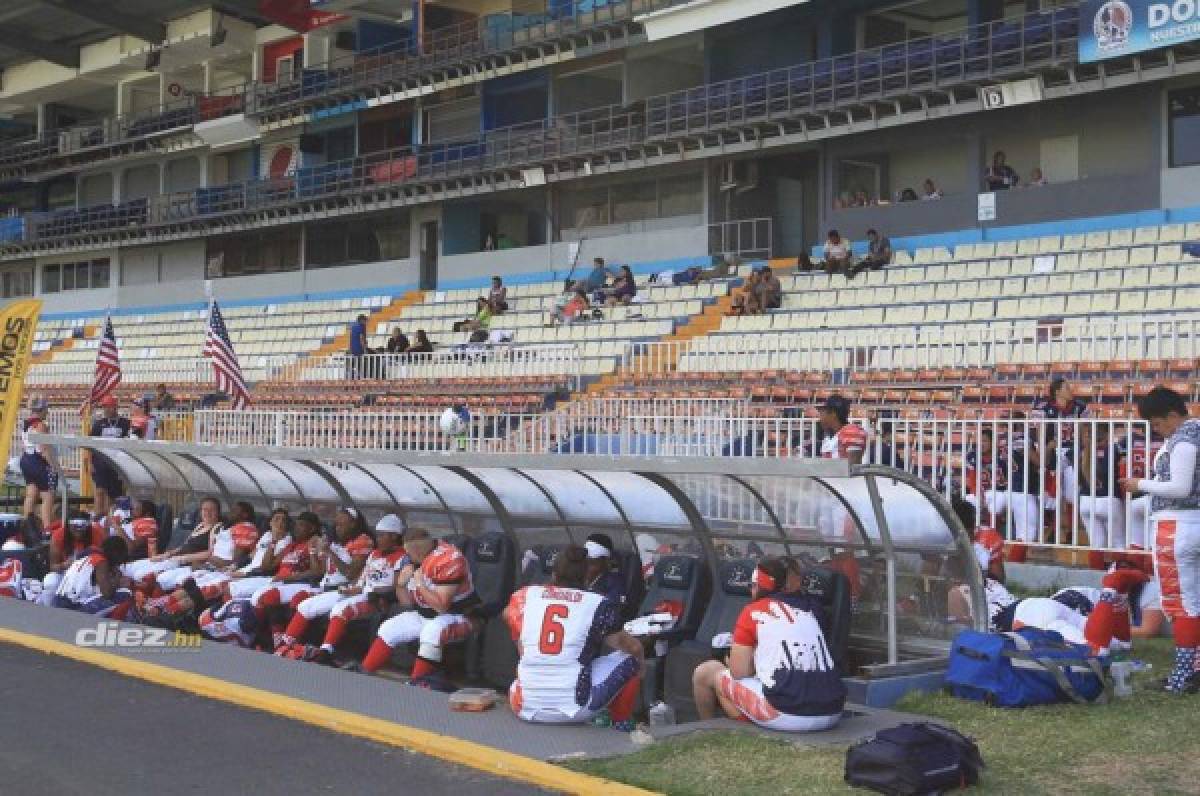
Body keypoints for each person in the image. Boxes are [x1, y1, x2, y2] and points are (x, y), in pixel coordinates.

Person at [692, 556, 845, 732]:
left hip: (790, 715)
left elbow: (738, 672)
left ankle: (713, 732)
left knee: (707, 672)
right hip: (833, 711)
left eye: (752, 586)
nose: (751, 591)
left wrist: (732, 659)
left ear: (758, 587)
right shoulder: (809, 610)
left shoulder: (754, 611)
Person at [505, 545, 644, 730]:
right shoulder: (597, 603)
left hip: (522, 705)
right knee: (630, 659)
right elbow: (632, 647)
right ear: (586, 577)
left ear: (554, 574)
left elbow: (507, 615)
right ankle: (621, 723)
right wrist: (641, 669)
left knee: (526, 666)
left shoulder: (525, 596)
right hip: (575, 708)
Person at [1121, 386, 1200, 692]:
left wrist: (1140, 483)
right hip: (1191, 523)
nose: (1156, 430)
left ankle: (1182, 676)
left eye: (1156, 423)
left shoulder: (1182, 442)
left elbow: (1179, 489)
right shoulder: (1190, 436)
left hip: (1178, 527)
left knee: (1184, 605)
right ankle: (1193, 669)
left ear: (1171, 416)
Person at [278, 514, 411, 664]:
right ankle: (284, 645)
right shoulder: (374, 553)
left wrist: (373, 592)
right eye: (377, 535)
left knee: (340, 609)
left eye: (382, 535)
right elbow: (362, 578)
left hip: (376, 598)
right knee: (306, 606)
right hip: (359, 592)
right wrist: (351, 588)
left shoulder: (402, 557)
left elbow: (397, 586)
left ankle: (325, 652)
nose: (378, 539)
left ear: (394, 536)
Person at [361, 528, 477, 682]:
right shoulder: (413, 560)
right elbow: (407, 604)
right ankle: (364, 671)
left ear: (417, 549)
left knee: (432, 631)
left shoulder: (449, 558)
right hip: (426, 614)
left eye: (409, 552)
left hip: (459, 616)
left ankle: (416, 683)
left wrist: (420, 584)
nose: (407, 556)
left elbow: (441, 606)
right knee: (389, 628)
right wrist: (401, 586)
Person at [274, 508, 374, 655]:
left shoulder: (363, 541)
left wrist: (330, 552)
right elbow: (320, 569)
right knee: (300, 602)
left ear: (353, 524)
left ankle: (322, 651)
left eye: (342, 525)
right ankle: (290, 646)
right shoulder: (335, 540)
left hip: (346, 588)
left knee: (307, 607)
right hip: (325, 586)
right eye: (337, 524)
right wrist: (314, 550)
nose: (338, 528)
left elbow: (351, 573)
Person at [251, 511, 324, 644]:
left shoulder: (316, 542)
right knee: (258, 600)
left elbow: (317, 572)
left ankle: (278, 641)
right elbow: (267, 566)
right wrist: (273, 541)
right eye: (295, 525)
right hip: (281, 582)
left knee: (269, 597)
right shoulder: (292, 545)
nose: (296, 528)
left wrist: (312, 550)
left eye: (301, 525)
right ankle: (259, 638)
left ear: (312, 528)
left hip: (302, 583)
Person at [122, 496, 222, 591]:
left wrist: (184, 558)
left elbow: (211, 553)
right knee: (132, 566)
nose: (207, 512)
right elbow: (185, 545)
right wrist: (167, 554)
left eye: (212, 510)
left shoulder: (217, 528)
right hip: (175, 558)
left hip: (184, 563)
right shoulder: (200, 525)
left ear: (218, 512)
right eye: (204, 509)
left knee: (140, 575)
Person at [1062, 424, 1128, 553]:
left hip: (1086, 502)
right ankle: (1119, 572)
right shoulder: (1113, 449)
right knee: (1118, 543)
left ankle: (1096, 572)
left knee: (1096, 544)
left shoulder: (1077, 450)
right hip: (1109, 500)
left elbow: (1057, 463)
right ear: (1107, 435)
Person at [53, 536, 133, 618]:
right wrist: (117, 577)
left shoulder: (88, 555)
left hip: (58, 603)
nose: (119, 564)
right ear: (116, 553)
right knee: (125, 594)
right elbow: (107, 594)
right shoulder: (101, 561)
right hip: (71, 608)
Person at [38, 512, 105, 605]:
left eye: (82, 527)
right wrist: (64, 565)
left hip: (89, 576)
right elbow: (52, 566)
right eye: (75, 526)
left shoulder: (96, 534)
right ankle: (48, 609)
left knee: (100, 590)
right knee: (50, 581)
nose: (78, 530)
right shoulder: (59, 535)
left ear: (88, 526)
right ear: (69, 526)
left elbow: (102, 563)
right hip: (65, 573)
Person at [88, 395, 130, 518]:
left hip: (116, 463)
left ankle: (111, 519)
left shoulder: (125, 423)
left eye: (108, 406)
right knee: (100, 490)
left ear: (115, 407)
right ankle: (97, 516)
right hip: (100, 462)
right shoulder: (98, 424)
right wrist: (90, 463)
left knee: (114, 494)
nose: (105, 409)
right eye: (104, 407)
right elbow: (90, 444)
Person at [20, 397, 58, 530]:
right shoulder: (41, 425)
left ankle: (25, 526)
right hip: (38, 462)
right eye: (46, 409)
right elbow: (43, 449)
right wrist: (54, 467)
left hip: (26, 460)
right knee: (48, 496)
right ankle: (47, 528)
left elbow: (24, 446)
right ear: (41, 410)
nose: (47, 412)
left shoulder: (26, 423)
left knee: (31, 494)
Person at [819, 394, 866, 465]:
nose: (820, 418)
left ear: (833, 413)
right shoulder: (829, 437)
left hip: (840, 476)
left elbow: (852, 468)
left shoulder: (851, 431)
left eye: (822, 413)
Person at [584, 533, 627, 609]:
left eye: (592, 563)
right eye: (585, 562)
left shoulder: (614, 581)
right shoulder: (577, 576)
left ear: (605, 561)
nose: (587, 568)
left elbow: (613, 605)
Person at [348, 313, 368, 379]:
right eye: (365, 320)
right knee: (361, 366)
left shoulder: (353, 327)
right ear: (362, 320)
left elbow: (350, 339)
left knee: (353, 366)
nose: (366, 322)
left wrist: (350, 349)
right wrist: (365, 349)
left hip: (353, 349)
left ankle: (351, 379)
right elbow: (361, 338)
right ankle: (362, 378)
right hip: (359, 349)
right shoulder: (361, 326)